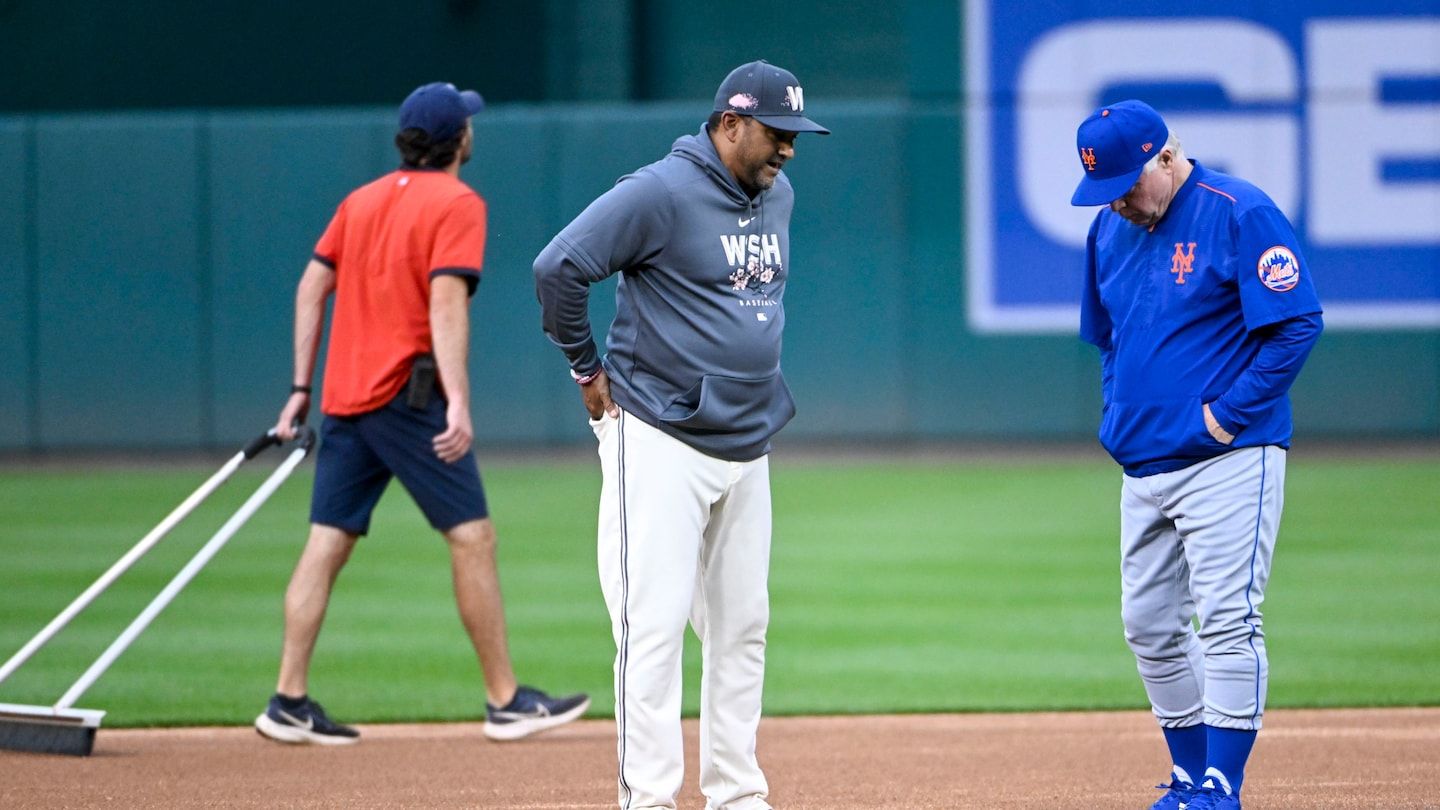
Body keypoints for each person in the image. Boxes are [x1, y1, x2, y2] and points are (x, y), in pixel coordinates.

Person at [254, 81, 588, 746]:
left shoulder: (360, 199)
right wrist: (458, 399)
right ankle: (504, 700)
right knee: (473, 537)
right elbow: (445, 304)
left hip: (345, 397)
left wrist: (300, 387)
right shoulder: (459, 202)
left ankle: (287, 699)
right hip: (406, 400)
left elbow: (311, 286)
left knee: (328, 543)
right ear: (458, 139)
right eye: (468, 122)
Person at [533, 60, 828, 809]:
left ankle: (736, 794)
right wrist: (585, 369)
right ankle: (649, 799)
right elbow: (559, 267)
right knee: (653, 629)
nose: (789, 148)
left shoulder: (777, 191)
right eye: (777, 132)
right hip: (660, 437)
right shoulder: (660, 192)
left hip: (748, 441)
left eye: (796, 134)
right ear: (730, 123)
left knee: (743, 630)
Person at [1071, 100, 1323, 810]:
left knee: (1227, 618)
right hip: (1142, 464)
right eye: (1105, 189)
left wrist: (1224, 418)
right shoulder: (1107, 232)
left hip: (1230, 459)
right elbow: (1111, 340)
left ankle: (1222, 784)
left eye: (1127, 183)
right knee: (1148, 626)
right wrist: (1117, 415)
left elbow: (1298, 323)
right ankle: (1188, 777)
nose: (1118, 200)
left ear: (1166, 156)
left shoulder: (1238, 210)